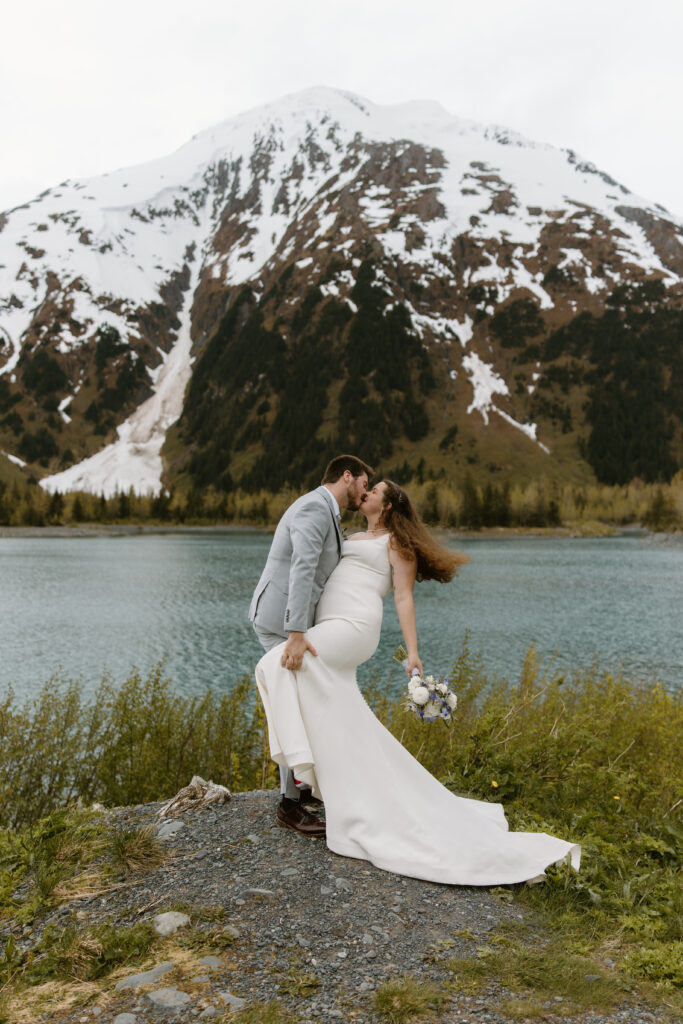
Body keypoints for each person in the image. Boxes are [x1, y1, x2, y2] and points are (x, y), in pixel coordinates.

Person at [255, 479, 581, 885]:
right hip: (330, 622)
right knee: (324, 696)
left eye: (374, 490)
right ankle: (324, 782)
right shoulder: (352, 534)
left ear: (388, 505)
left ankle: (301, 778)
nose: (366, 492)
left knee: (276, 664)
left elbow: (403, 597)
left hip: (354, 625)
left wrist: (412, 652)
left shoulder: (397, 544)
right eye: (366, 487)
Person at [249, 454, 372, 837]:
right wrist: (297, 631)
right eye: (364, 484)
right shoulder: (314, 508)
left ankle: (300, 791)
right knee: (292, 698)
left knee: (300, 697)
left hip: (288, 621)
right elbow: (303, 566)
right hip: (278, 621)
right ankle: (290, 803)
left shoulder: (327, 512)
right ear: (347, 476)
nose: (364, 492)